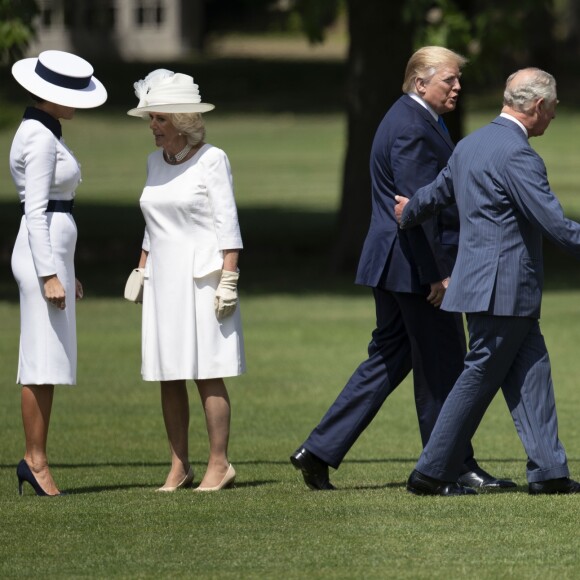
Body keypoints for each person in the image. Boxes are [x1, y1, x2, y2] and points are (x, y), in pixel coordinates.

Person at [290, 46, 514, 490]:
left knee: (389, 360)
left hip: (394, 265)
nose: (457, 87)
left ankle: (318, 450)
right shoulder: (412, 127)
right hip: (413, 267)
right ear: (420, 82)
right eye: (449, 80)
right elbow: (412, 210)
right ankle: (449, 467)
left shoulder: (410, 118)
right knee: (443, 364)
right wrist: (436, 275)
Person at [396, 67, 580, 496]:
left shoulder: (471, 144)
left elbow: (437, 192)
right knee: (478, 377)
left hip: (492, 288)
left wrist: (409, 212)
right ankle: (430, 472)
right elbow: (553, 223)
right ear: (537, 106)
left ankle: (549, 473)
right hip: (503, 290)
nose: (552, 118)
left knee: (532, 372)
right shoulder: (518, 154)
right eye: (552, 110)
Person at [127, 69, 245, 492]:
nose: (153, 128)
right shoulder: (152, 163)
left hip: (203, 278)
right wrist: (142, 266)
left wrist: (228, 278)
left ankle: (220, 464)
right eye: (151, 119)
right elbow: (152, 221)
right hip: (163, 278)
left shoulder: (213, 158)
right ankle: (179, 466)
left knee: (206, 370)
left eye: (159, 119)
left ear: (181, 120)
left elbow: (227, 223)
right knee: (169, 372)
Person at [9, 50, 107, 496]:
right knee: (40, 361)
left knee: (50, 361)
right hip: (39, 255)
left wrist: (65, 269)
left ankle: (37, 457)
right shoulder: (40, 137)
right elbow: (35, 210)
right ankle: (35, 459)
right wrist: (49, 272)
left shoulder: (47, 131)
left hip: (50, 255)